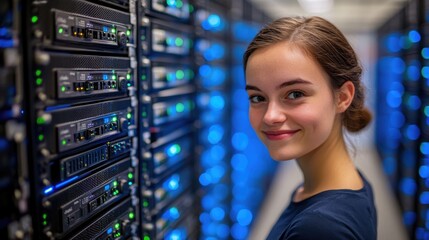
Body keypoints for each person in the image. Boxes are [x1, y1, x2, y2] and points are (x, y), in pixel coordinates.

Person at [243, 16, 377, 240]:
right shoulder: (352, 182)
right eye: (257, 97)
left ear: (342, 97)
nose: (270, 116)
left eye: (295, 94)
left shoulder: (319, 228)